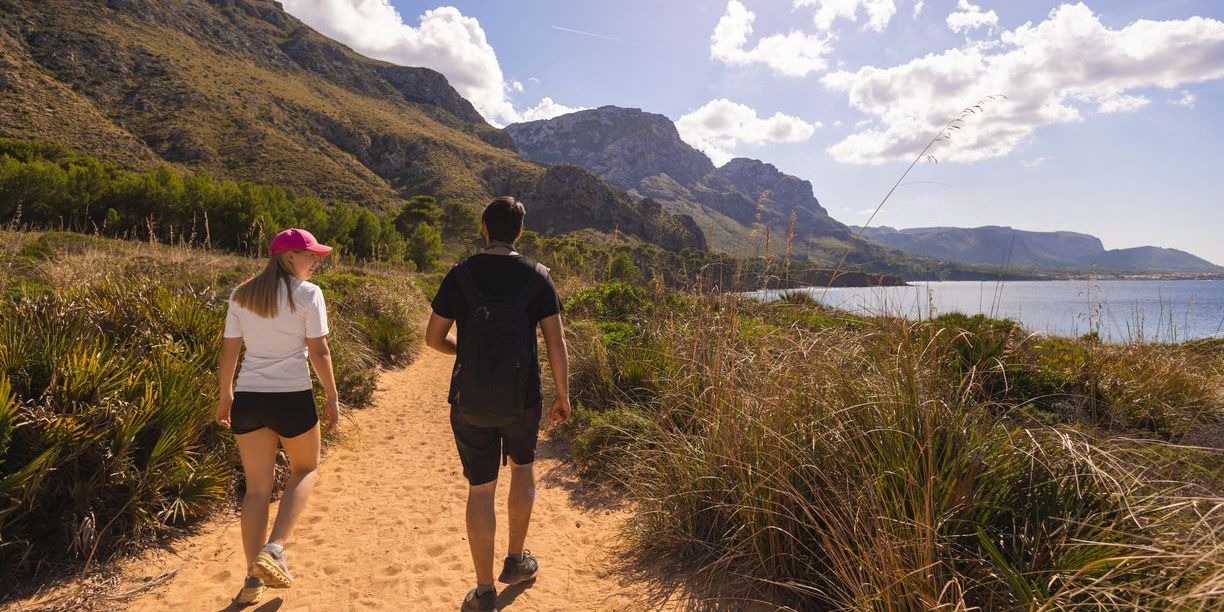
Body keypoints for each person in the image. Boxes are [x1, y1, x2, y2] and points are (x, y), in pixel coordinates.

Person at [425, 196, 572, 612]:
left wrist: (467, 354)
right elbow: (556, 343)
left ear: (484, 229)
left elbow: (432, 338)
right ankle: (516, 560)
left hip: (469, 399)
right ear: (520, 232)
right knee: (523, 471)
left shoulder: (460, 274)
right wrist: (563, 396)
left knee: (481, 488)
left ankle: (484, 589)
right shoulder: (539, 277)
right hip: (523, 399)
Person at [215, 228, 340, 606]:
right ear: (288, 257)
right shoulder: (308, 295)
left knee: (256, 489)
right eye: (310, 255)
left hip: (249, 399)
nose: (316, 260)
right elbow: (319, 351)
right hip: (291, 397)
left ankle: (252, 580)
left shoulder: (241, 294)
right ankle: (275, 547)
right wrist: (333, 396)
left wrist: (225, 397)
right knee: (306, 468)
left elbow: (229, 353)